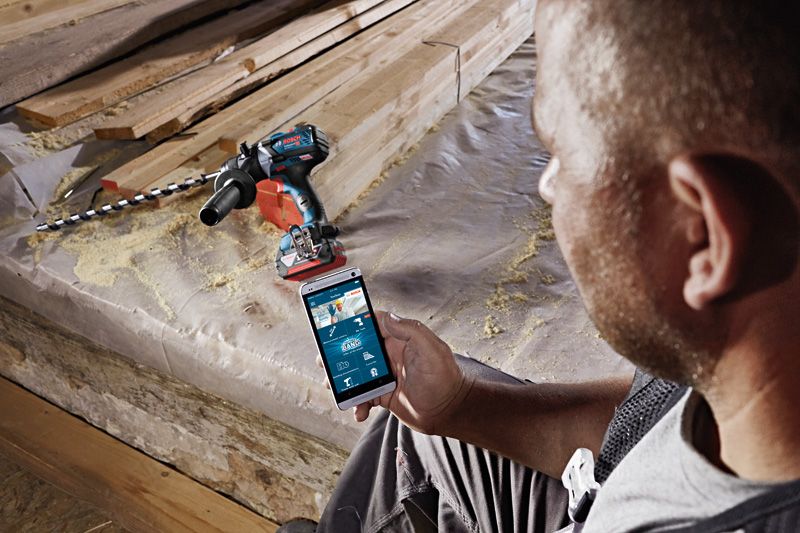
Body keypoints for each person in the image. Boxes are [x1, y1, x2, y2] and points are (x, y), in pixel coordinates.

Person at [280, 0, 800, 531]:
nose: (547, 186)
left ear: (702, 233)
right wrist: (458, 403)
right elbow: (640, 423)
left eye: (563, 155)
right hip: (610, 490)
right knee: (413, 427)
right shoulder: (747, 353)